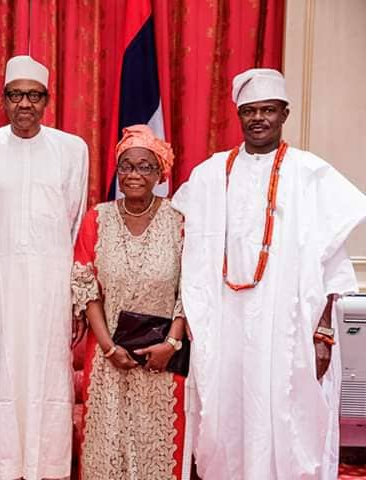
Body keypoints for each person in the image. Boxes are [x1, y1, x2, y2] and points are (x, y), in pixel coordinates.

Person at [171, 68, 366, 480]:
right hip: (225, 329)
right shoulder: (210, 175)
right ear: (238, 116)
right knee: (227, 415)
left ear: (285, 113)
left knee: (288, 415)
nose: (258, 118)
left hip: (288, 329)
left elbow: (332, 266)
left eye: (268, 110)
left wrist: (324, 335)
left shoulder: (309, 174)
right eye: (249, 111)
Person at [0, 55, 89, 480]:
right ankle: (7, 463)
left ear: (47, 100)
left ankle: (49, 466)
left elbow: (77, 229)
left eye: (33, 96)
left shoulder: (73, 149)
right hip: (1, 283)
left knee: (51, 376)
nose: (24, 104)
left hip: (54, 286)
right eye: (16, 95)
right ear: (3, 99)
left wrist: (76, 297)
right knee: (6, 373)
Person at [71, 125, 188, 479]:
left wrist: (171, 343)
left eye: (144, 166)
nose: (134, 174)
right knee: (106, 450)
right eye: (126, 166)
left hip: (164, 359)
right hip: (108, 357)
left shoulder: (179, 221)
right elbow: (85, 285)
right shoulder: (97, 218)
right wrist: (108, 347)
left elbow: (191, 289)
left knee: (157, 450)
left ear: (160, 173)